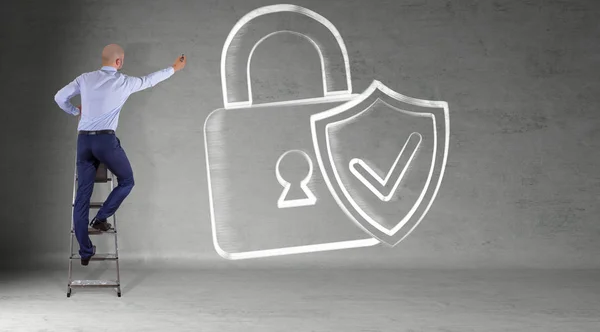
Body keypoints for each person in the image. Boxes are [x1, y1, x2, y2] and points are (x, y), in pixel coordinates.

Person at [54, 44, 187, 265]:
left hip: (84, 141)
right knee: (127, 180)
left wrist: (76, 111)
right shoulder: (124, 82)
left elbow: (59, 97)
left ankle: (85, 252)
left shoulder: (85, 78)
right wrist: (174, 67)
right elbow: (150, 80)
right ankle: (101, 218)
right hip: (105, 141)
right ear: (118, 62)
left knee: (82, 197)